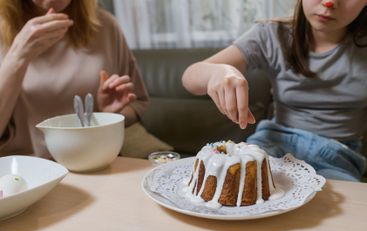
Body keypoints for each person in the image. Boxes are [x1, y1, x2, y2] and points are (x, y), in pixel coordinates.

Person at [182, 0, 367, 181]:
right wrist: (218, 71)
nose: (329, 3)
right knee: (242, 183)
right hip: (275, 141)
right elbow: (190, 78)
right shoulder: (273, 34)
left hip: (339, 154)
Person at [0, 0, 149, 158]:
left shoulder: (105, 26)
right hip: (23, 172)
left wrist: (106, 116)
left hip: (95, 163)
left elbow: (137, 103)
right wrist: (18, 56)